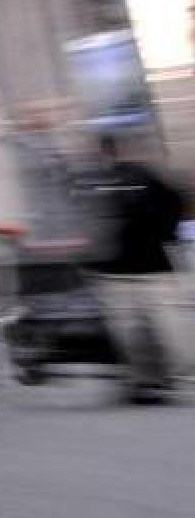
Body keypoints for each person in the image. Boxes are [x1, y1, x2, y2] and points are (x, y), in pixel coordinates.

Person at [89, 134, 187, 403]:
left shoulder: (145, 177)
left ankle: (161, 380)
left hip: (150, 269)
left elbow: (175, 200)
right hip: (117, 271)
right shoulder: (97, 182)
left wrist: (166, 235)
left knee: (160, 329)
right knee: (130, 331)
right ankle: (145, 383)